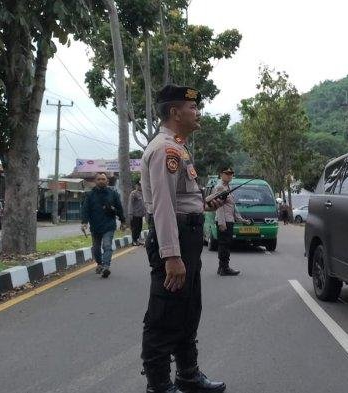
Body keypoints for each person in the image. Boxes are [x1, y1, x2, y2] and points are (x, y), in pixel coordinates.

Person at [140, 84, 226, 393]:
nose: (197, 112)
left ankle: (188, 375)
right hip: (175, 239)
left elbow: (178, 200)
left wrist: (204, 204)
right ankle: (159, 385)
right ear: (175, 112)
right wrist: (171, 255)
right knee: (165, 314)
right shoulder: (167, 149)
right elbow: (162, 206)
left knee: (189, 310)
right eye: (192, 107)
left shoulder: (178, 146)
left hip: (187, 234)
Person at [80, 172, 126, 279]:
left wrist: (123, 222)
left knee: (107, 245)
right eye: (99, 179)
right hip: (95, 226)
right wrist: (84, 223)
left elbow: (119, 208)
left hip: (109, 225)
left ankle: (106, 266)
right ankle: (99, 264)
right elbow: (85, 210)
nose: (101, 181)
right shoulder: (90, 195)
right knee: (96, 248)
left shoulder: (113, 194)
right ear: (95, 181)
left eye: (103, 179)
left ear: (107, 181)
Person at [213, 166, 252, 276]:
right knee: (224, 244)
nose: (229, 175)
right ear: (221, 174)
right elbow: (219, 206)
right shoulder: (220, 188)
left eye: (231, 173)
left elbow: (232, 207)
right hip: (224, 221)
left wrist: (242, 220)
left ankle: (222, 267)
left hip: (229, 220)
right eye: (227, 173)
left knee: (225, 244)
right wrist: (221, 223)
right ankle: (224, 268)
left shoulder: (227, 187)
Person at [129, 181, 146, 246]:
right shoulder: (133, 193)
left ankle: (137, 240)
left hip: (140, 214)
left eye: (140, 185)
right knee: (134, 228)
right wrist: (130, 213)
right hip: (134, 214)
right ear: (136, 186)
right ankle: (134, 241)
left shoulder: (142, 193)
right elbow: (130, 203)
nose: (140, 186)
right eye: (138, 185)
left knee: (139, 227)